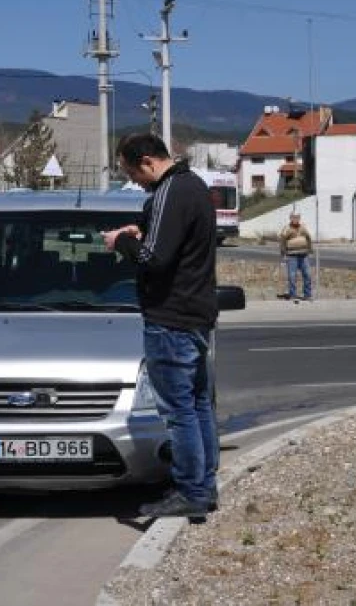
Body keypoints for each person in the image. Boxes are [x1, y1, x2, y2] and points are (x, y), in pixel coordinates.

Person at [101, 134, 219, 519]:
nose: (135, 181)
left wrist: (121, 242)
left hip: (171, 316)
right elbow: (169, 240)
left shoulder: (171, 189)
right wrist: (142, 228)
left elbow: (154, 258)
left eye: (133, 172)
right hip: (197, 314)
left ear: (149, 161)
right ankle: (204, 485)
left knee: (178, 411)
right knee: (199, 404)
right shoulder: (195, 186)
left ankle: (189, 490)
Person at [279, 213, 314, 300]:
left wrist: (310, 249)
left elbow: (308, 237)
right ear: (290, 218)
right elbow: (282, 241)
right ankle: (293, 294)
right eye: (294, 217)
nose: (296, 219)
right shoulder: (286, 228)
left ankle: (307, 295)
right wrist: (283, 254)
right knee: (292, 276)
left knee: (307, 274)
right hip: (291, 256)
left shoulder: (303, 227)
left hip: (304, 255)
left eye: (297, 217)